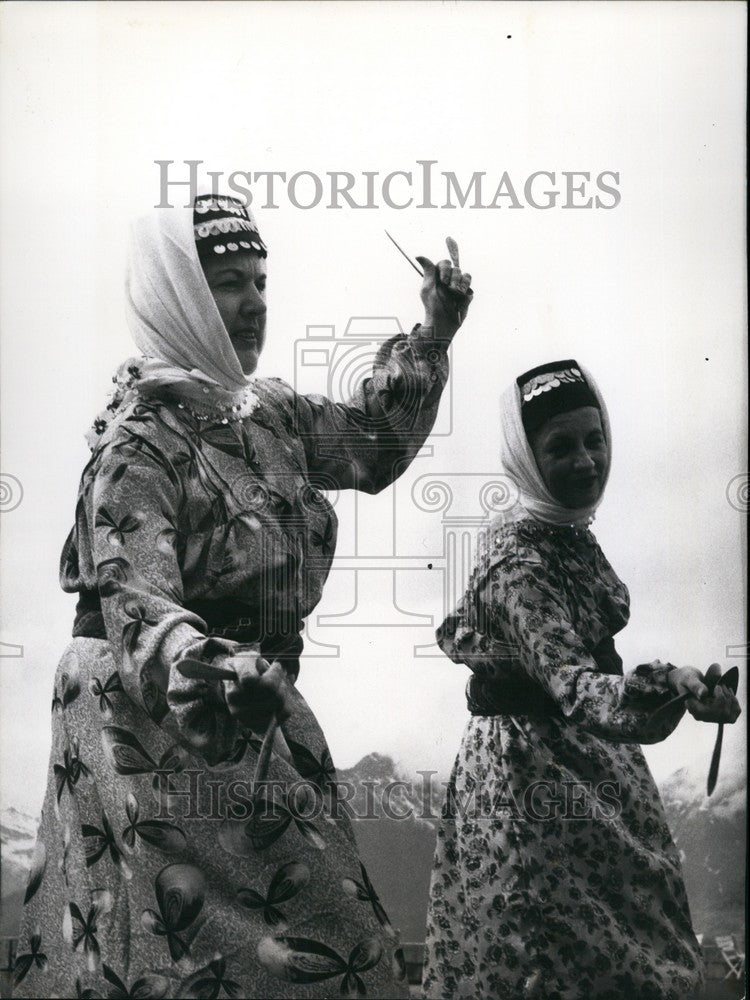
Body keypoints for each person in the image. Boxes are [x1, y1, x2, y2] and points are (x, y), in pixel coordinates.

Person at [13, 195, 473, 999]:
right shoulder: (135, 448)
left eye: (260, 280)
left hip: (251, 701)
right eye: (228, 283)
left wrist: (431, 334)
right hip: (145, 718)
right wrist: (216, 673)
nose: (255, 301)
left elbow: (374, 443)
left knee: (318, 945)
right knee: (204, 958)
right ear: (179, 298)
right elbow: (140, 606)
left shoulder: (269, 413)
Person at [421, 360, 741, 1000]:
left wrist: (678, 679)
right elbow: (573, 684)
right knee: (545, 958)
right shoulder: (518, 559)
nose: (587, 461)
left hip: (586, 763)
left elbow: (587, 666)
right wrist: (672, 688)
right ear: (527, 457)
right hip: (530, 782)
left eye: (594, 440)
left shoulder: (562, 530)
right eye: (560, 447)